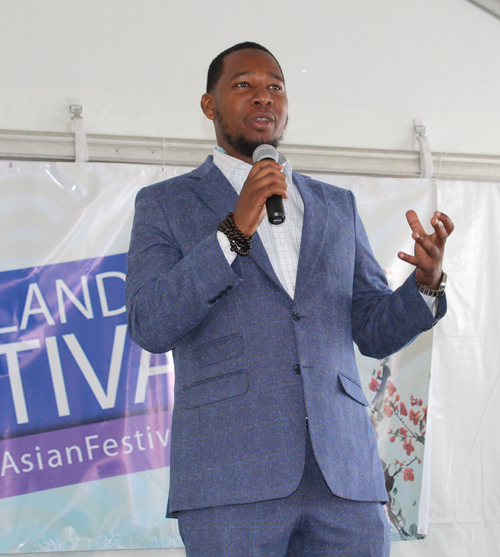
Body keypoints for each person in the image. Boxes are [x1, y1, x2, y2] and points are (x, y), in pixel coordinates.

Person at [126, 42, 453, 557]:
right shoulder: (165, 204)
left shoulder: (335, 206)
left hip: (343, 476)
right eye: (244, 85)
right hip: (230, 475)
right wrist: (232, 231)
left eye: (274, 86)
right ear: (209, 105)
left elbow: (371, 328)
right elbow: (150, 323)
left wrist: (426, 285)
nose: (263, 98)